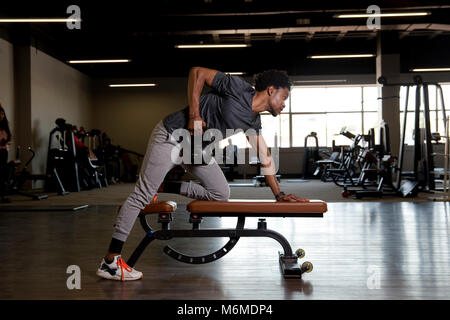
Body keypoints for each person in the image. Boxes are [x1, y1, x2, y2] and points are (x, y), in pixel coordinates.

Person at [96, 67, 309, 281]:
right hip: (171, 135)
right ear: (271, 90)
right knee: (141, 195)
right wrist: (195, 114)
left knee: (220, 193)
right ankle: (110, 262)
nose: (284, 104)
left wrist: (279, 194)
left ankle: (163, 186)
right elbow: (197, 72)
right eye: (284, 97)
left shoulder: (253, 122)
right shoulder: (239, 88)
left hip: (194, 149)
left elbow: (265, 155)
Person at [0, 104, 12, 203]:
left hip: (4, 152)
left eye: (3, 113)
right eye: (0, 113)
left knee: (3, 174)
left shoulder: (5, 127)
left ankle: (3, 196)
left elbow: (10, 140)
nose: (1, 115)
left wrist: (6, 142)